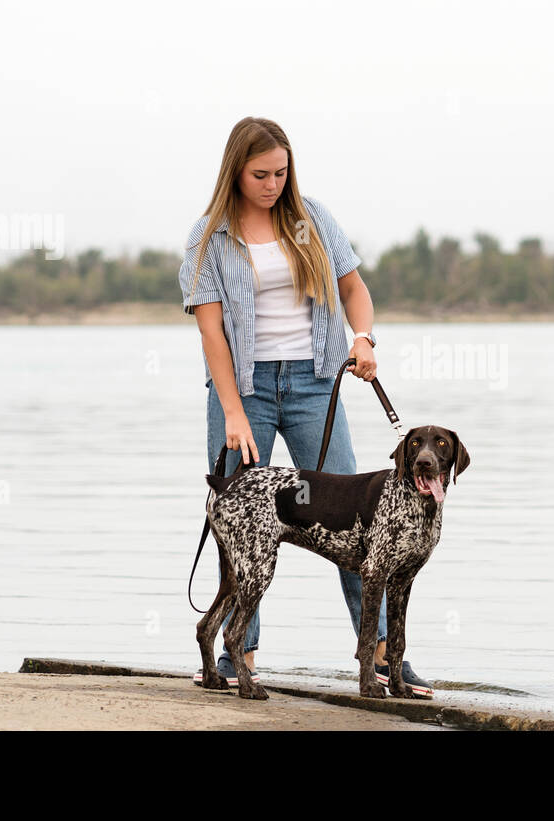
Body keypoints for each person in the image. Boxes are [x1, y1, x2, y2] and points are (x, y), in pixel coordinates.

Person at [178, 117, 433, 698]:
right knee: (243, 524)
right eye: (260, 174)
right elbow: (212, 334)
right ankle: (236, 652)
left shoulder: (312, 218)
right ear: (235, 172)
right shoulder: (207, 236)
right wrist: (233, 411)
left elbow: (353, 290)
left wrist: (363, 337)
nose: (273, 184)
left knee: (361, 521)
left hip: (317, 383)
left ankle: (386, 657)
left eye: (281, 172)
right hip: (241, 388)